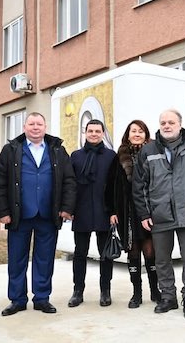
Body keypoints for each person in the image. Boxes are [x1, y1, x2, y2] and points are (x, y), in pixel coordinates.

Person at [0, 112, 76, 316]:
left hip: (48, 214)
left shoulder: (57, 150)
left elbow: (69, 181)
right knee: (16, 259)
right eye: (31, 124)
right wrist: (2, 211)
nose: (35, 127)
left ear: (45, 127)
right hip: (19, 215)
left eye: (39, 123)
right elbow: (0, 182)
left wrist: (66, 208)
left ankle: (42, 298)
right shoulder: (11, 150)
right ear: (24, 127)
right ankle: (17, 299)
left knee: (45, 259)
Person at [133, 109, 185, 319]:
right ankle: (168, 297)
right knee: (162, 259)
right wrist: (145, 213)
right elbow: (139, 185)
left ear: (180, 125)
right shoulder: (149, 150)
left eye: (171, 122)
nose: (166, 126)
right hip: (159, 213)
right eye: (163, 122)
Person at [105, 120, 161, 308]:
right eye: (133, 131)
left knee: (151, 252)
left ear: (146, 134)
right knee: (133, 252)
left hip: (149, 210)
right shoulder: (119, 156)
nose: (137, 134)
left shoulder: (155, 152)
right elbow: (110, 186)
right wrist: (112, 211)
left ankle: (155, 290)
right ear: (127, 134)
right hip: (127, 211)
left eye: (140, 131)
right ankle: (137, 293)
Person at [63, 119, 118, 307]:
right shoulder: (76, 156)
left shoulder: (111, 156)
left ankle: (105, 291)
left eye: (97, 131)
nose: (94, 134)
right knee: (80, 253)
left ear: (103, 133)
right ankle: (78, 291)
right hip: (82, 211)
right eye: (90, 131)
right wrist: (69, 209)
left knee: (106, 254)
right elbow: (70, 185)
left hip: (104, 211)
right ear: (84, 133)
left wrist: (114, 211)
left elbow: (115, 187)